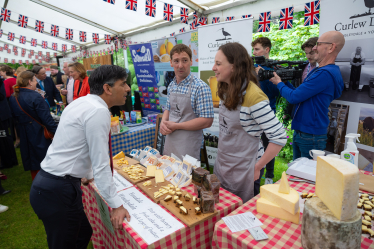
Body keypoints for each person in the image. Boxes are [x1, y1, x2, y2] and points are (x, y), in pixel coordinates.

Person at [30, 65, 131, 249]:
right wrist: (117, 205)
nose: (128, 89)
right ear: (107, 88)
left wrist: (86, 172)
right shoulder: (98, 111)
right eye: (123, 84)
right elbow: (101, 163)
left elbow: (74, 145)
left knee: (83, 232)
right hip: (57, 189)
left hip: (52, 185)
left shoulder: (83, 102)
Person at [212, 43, 286, 202]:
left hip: (244, 169)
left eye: (218, 64)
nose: (213, 67)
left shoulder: (254, 97)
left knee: (238, 217)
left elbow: (279, 137)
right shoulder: (226, 88)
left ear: (234, 67)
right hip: (223, 164)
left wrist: (258, 167)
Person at [269, 31, 345, 160]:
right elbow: (298, 94)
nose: (315, 48)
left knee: (305, 174)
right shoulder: (322, 71)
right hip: (305, 131)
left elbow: (294, 97)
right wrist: (285, 83)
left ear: (331, 47)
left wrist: (278, 83)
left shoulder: (324, 74)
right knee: (297, 171)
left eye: (319, 44)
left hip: (310, 134)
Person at [161, 44, 214, 160]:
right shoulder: (171, 85)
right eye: (176, 61)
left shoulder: (200, 87)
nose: (180, 65)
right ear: (171, 63)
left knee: (187, 176)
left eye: (184, 60)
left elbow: (207, 121)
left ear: (191, 61)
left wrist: (177, 126)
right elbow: (168, 109)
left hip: (188, 144)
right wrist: (163, 122)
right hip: (170, 141)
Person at [8, 71, 57, 180]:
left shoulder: (13, 96)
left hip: (24, 131)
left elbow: (14, 117)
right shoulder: (35, 96)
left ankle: (37, 183)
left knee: (32, 160)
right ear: (30, 82)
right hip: (38, 132)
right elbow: (46, 118)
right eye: (35, 80)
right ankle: (45, 184)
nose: (36, 83)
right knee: (43, 159)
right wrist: (57, 132)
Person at [252, 37, 280, 185]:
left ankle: (269, 176)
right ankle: (255, 171)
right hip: (252, 114)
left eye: (257, 49)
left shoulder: (274, 68)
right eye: (254, 49)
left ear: (267, 50)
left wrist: (263, 76)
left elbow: (277, 92)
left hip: (268, 112)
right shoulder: (251, 67)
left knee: (268, 144)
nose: (254, 52)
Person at [0, 76, 18, 169]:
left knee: (4, 137)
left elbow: (2, 96)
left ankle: (9, 161)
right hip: (2, 114)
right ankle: (7, 160)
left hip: (2, 115)